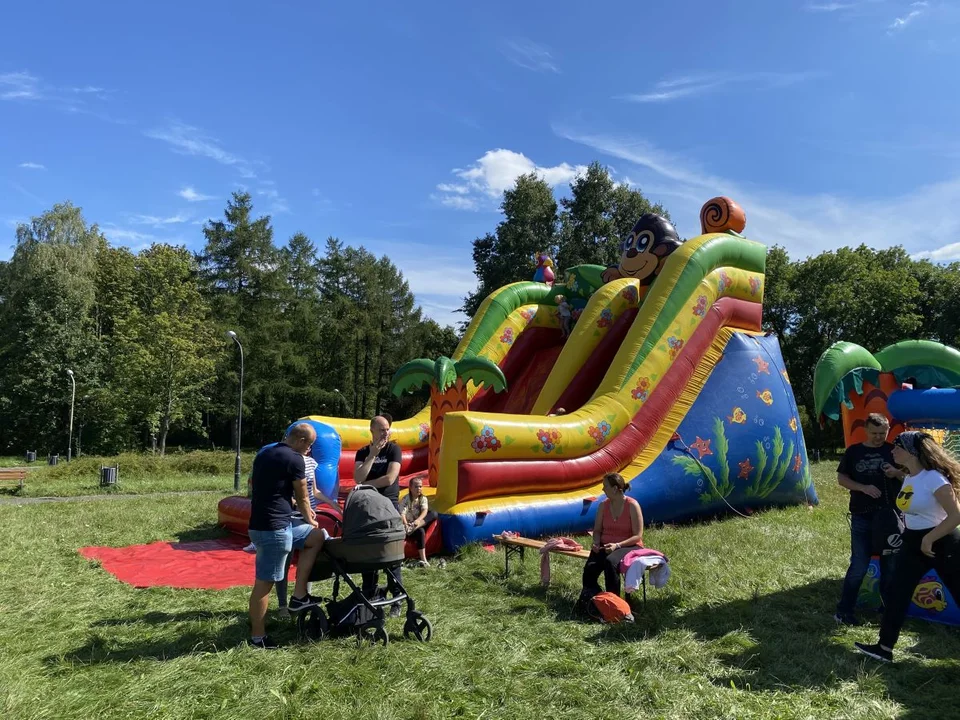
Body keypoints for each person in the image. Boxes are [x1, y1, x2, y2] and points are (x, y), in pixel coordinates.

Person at [856, 431, 960, 663]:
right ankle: (884, 648)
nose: (892, 450)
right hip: (914, 542)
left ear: (912, 452)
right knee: (897, 592)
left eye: (897, 446)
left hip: (943, 542)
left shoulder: (935, 478)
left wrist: (929, 538)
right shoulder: (911, 476)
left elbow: (955, 516)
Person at [247, 423, 326, 649]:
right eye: (309, 445)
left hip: (260, 525)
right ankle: (258, 637)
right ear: (300, 440)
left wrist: (291, 504)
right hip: (275, 530)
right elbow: (303, 496)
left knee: (315, 537)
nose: (309, 450)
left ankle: (299, 595)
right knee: (265, 583)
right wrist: (309, 517)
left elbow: (266, 488)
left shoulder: (265, 454)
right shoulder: (295, 459)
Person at [834, 413, 906, 626]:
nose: (878, 437)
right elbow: (842, 478)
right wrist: (863, 487)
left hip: (890, 517)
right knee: (858, 565)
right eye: (874, 433)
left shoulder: (894, 450)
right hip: (862, 516)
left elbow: (911, 476)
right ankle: (844, 611)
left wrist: (897, 474)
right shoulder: (854, 452)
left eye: (883, 433)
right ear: (865, 430)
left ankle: (888, 611)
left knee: (890, 566)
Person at [355, 414, 404, 616]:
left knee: (391, 555)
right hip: (368, 508)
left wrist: (364, 486)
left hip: (388, 508)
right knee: (368, 552)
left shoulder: (394, 449)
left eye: (387, 429)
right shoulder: (363, 452)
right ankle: (370, 595)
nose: (386, 433)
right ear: (372, 431)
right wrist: (372, 455)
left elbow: (389, 479)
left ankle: (397, 600)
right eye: (382, 429)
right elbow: (357, 476)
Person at [581, 472, 644, 599]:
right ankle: (594, 598)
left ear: (615, 489)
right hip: (606, 545)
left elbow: (637, 535)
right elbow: (597, 530)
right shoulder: (603, 505)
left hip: (629, 546)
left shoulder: (632, 505)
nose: (603, 489)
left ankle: (614, 602)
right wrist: (596, 542)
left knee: (610, 562)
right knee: (590, 568)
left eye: (605, 486)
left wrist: (617, 545)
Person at [400, 477, 437, 567]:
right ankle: (422, 558)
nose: (419, 489)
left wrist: (418, 520)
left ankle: (424, 560)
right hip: (408, 525)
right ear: (410, 488)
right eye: (416, 487)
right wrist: (405, 524)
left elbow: (425, 510)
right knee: (420, 532)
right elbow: (402, 513)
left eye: (420, 487)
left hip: (418, 523)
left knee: (434, 513)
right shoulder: (406, 499)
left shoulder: (423, 498)